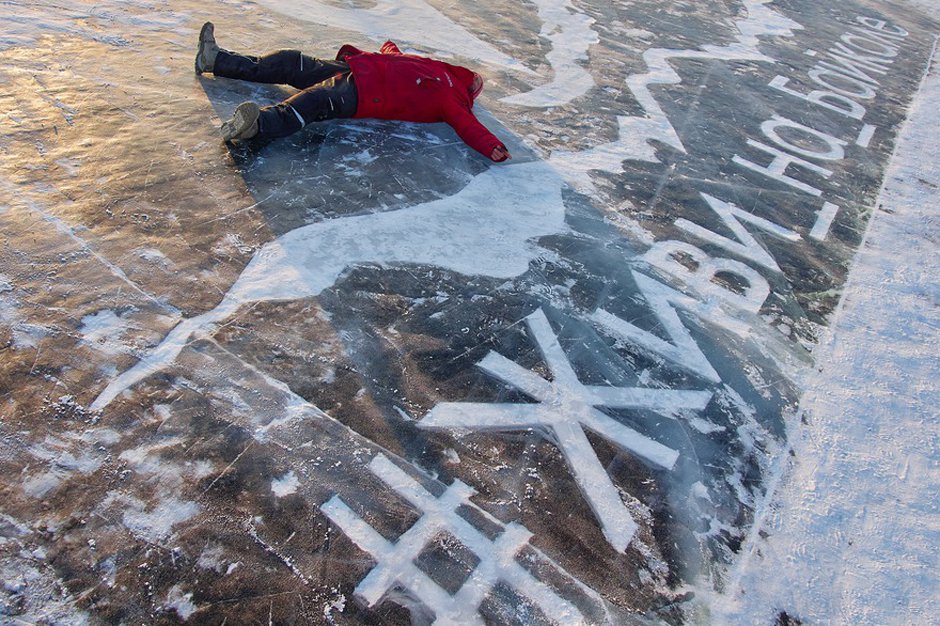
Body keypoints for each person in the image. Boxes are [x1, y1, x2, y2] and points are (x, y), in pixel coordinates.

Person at [194, 23, 511, 162]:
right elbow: (394, 55)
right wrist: (387, 44)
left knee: (313, 101)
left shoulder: (453, 98)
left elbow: (468, 125)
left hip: (365, 93)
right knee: (292, 62)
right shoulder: (435, 67)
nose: (478, 81)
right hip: (356, 68)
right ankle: (217, 60)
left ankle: (255, 126)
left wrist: (492, 145)